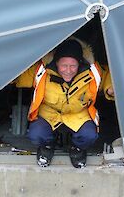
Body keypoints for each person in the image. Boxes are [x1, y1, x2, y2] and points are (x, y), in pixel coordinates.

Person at [15, 38, 114, 168]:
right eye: (64, 65)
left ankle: (77, 148)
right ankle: (48, 145)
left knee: (89, 135)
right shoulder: (42, 70)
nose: (68, 70)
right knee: (36, 134)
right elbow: (17, 74)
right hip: (49, 112)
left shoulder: (93, 71)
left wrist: (110, 88)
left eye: (73, 66)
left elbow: (110, 74)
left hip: (78, 113)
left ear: (79, 63)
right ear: (56, 63)